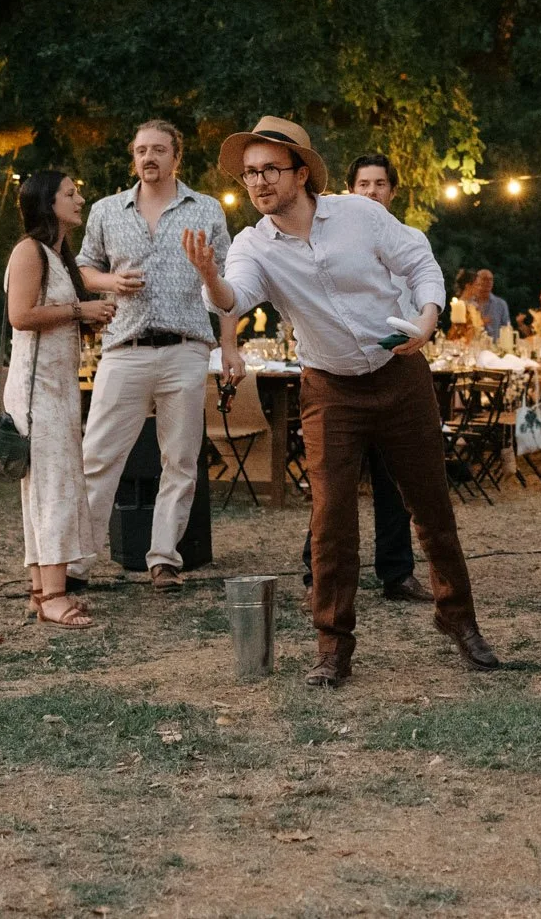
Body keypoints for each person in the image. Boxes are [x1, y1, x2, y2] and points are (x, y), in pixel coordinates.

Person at [182, 116, 498, 685]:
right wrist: (209, 277)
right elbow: (235, 295)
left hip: (400, 375)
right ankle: (333, 647)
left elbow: (419, 262)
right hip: (330, 390)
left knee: (432, 508)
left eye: (269, 170)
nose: (257, 183)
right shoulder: (254, 245)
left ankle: (459, 621)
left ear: (301, 173)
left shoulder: (359, 214)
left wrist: (427, 317)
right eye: (250, 173)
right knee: (331, 521)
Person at [71, 121, 243, 593]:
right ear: (134, 157)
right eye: (142, 150)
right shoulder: (107, 210)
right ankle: (76, 562)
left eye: (159, 150)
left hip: (185, 349)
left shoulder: (206, 209)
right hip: (124, 349)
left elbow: (231, 288)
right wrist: (111, 283)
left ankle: (164, 558)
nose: (149, 157)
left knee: (181, 460)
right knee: (98, 457)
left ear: (176, 158)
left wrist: (228, 345)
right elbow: (86, 268)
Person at [294, 152, 431, 604]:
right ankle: (319, 567)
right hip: (340, 376)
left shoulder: (409, 239)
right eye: (363, 185)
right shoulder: (332, 242)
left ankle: (398, 573)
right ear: (350, 192)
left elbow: (420, 293)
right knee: (334, 482)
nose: (372, 192)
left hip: (395, 368)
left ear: (393, 191)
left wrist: (417, 332)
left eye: (380, 184)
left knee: (395, 481)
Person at [5, 171, 114, 628]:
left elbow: (52, 316)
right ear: (47, 203)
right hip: (36, 392)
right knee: (52, 489)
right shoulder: (29, 251)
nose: (80, 198)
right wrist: (79, 310)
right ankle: (53, 595)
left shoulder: (58, 255)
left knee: (51, 487)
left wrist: (87, 321)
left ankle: (40, 590)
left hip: (59, 387)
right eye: (70, 194)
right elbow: (21, 315)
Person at [469, 269, 510, 340]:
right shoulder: (469, 303)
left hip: (495, 348)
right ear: (476, 281)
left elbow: (506, 328)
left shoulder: (501, 304)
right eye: (485, 279)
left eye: (491, 280)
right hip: (473, 347)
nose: (489, 282)